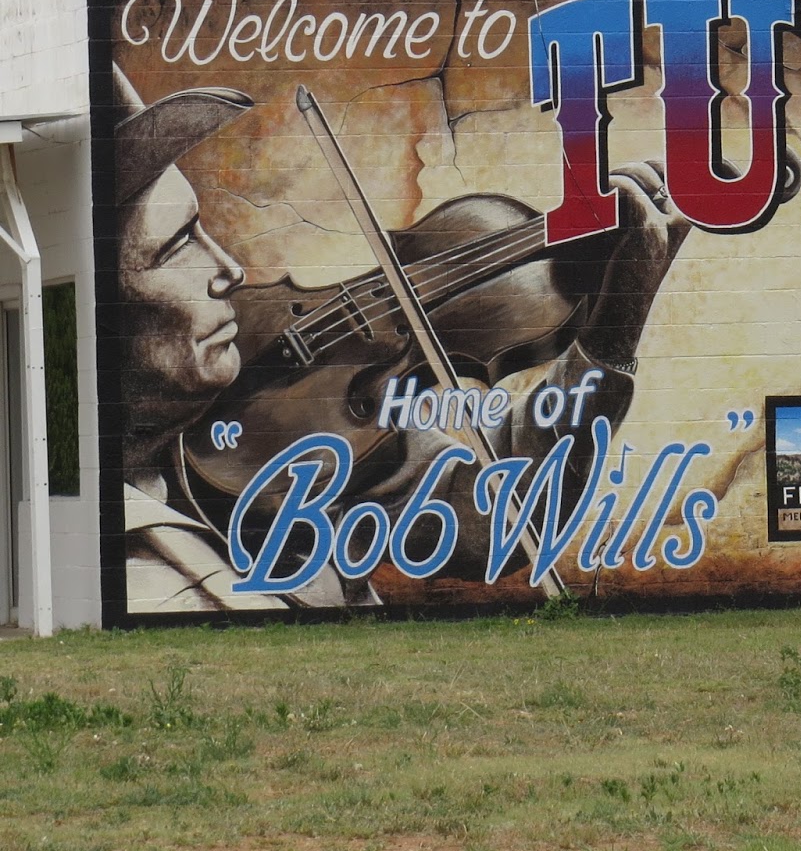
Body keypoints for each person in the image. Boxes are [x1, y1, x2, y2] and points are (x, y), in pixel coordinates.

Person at [114, 63, 688, 613]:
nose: (231, 271)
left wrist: (613, 327)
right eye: (177, 246)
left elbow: (497, 513)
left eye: (204, 231)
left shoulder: (311, 432)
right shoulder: (144, 565)